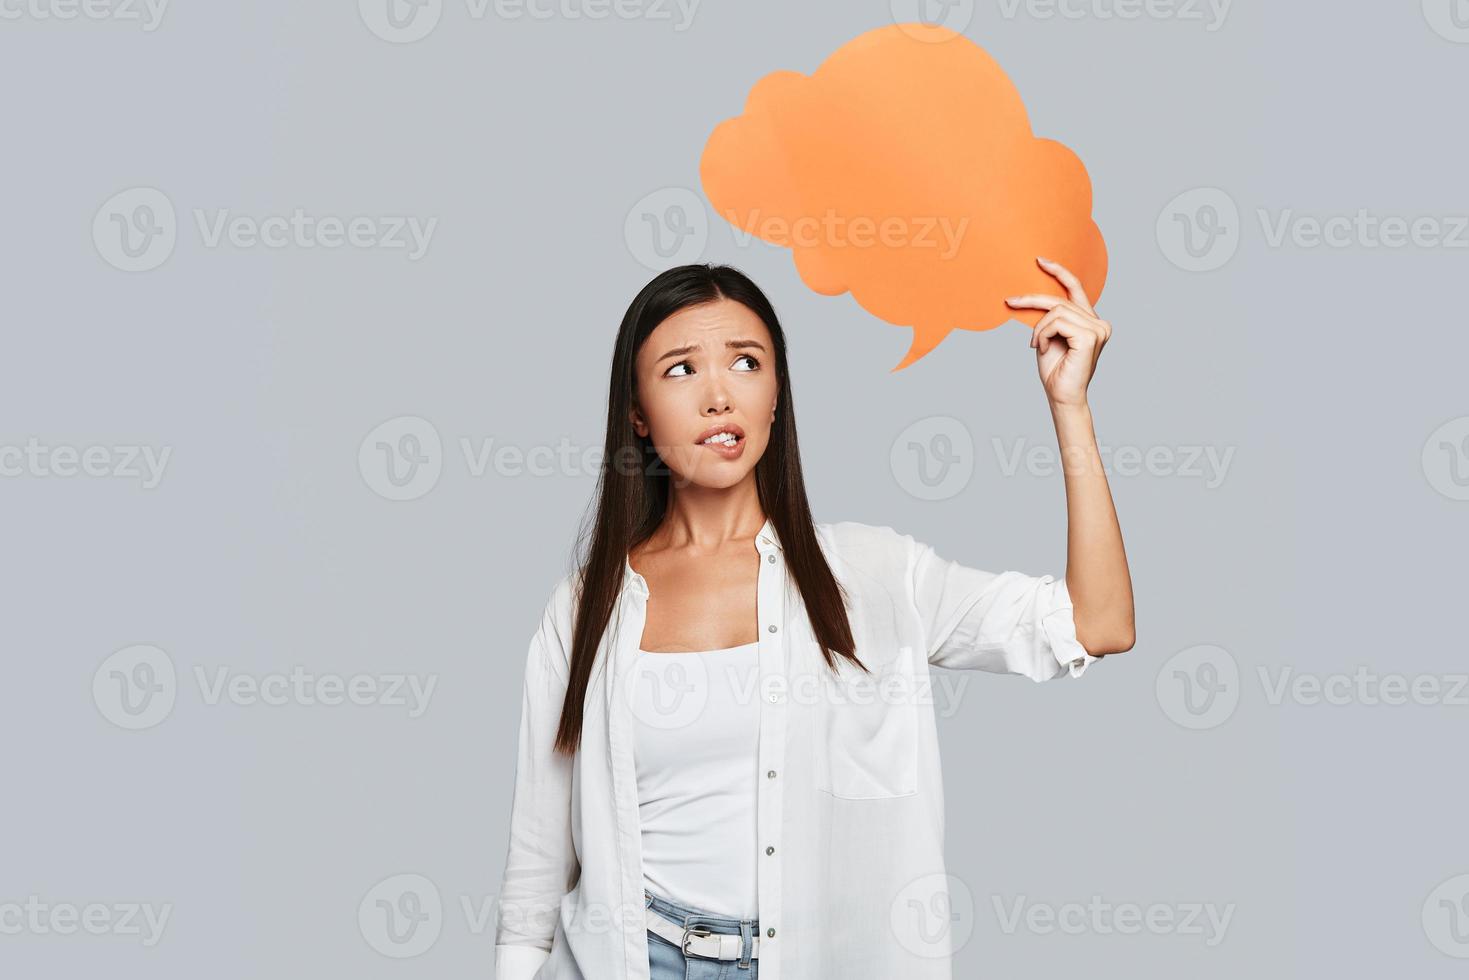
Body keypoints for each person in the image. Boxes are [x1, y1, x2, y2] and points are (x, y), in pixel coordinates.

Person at [493, 261, 1134, 980]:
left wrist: (1069, 405)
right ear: (637, 413)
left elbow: (1096, 623)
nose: (717, 396)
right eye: (679, 370)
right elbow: (537, 867)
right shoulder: (584, 609)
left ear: (774, 396)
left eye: (745, 362)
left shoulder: (875, 576)